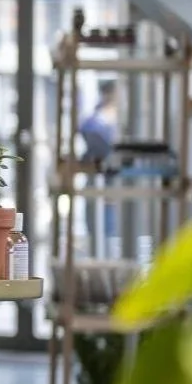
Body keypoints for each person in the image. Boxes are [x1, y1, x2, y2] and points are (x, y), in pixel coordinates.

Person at [78, 80, 118, 254]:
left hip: (113, 186)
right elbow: (87, 130)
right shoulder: (97, 120)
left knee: (110, 235)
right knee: (97, 231)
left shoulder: (114, 120)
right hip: (98, 181)